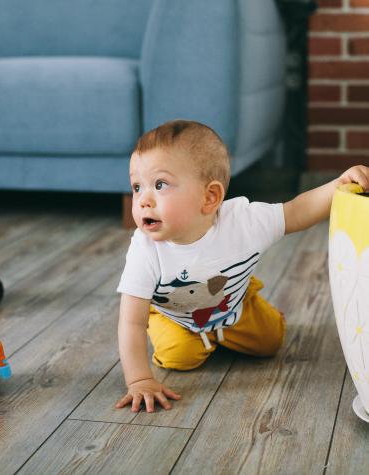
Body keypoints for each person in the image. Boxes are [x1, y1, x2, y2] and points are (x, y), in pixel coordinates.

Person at [115, 119, 369, 413]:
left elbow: (296, 211)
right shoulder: (145, 250)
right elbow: (131, 322)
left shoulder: (243, 222)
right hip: (175, 315)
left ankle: (249, 296)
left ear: (210, 197)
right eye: (137, 186)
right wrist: (140, 380)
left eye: (159, 185)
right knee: (178, 357)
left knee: (270, 341)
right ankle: (198, 337)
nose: (143, 200)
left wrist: (337, 185)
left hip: (232, 305)